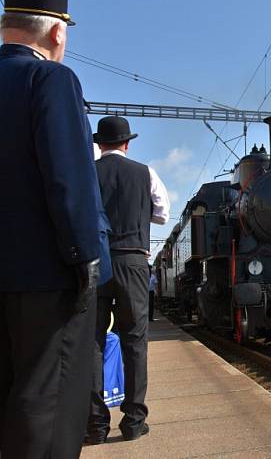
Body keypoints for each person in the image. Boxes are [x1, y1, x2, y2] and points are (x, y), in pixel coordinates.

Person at [0, 0, 109, 458]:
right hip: (45, 277)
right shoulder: (50, 80)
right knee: (48, 405)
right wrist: (85, 257)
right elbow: (69, 181)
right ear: (58, 33)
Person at [87, 116, 170, 443]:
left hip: (95, 261)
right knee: (134, 341)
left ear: (100, 143)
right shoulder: (145, 172)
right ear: (127, 143)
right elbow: (162, 214)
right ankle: (134, 421)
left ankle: (95, 425)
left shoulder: (88, 172)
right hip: (133, 261)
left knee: (92, 341)